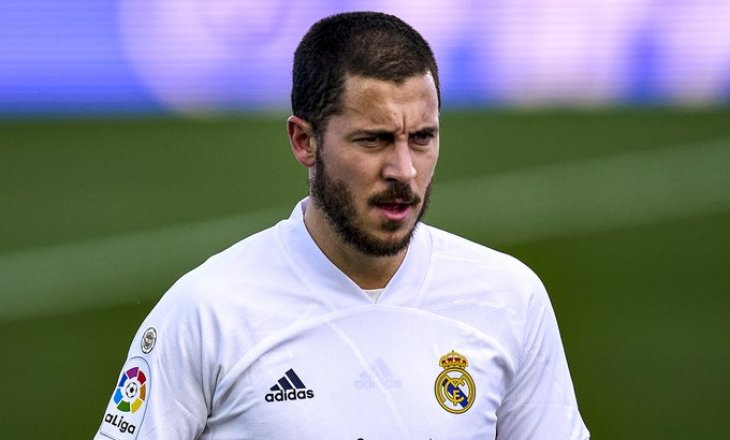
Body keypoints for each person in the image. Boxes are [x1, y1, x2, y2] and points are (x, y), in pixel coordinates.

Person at [94, 11, 589, 440]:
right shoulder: (209, 312)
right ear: (304, 141)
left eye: (422, 138)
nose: (404, 170)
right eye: (373, 140)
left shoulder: (509, 299)